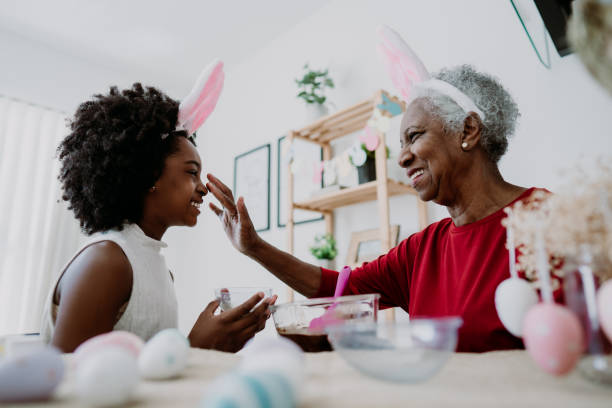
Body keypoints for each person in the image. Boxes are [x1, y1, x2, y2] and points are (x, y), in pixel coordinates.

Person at [204, 28, 550, 352]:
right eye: (400, 142)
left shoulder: (552, 222)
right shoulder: (421, 249)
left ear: (468, 130)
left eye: (414, 136)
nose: (401, 157)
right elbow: (336, 289)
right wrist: (254, 247)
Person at [41, 62, 276, 353]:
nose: (203, 188)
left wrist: (208, 347)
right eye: (192, 173)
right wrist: (195, 349)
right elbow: (67, 389)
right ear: (149, 174)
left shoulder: (157, 269)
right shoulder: (106, 263)